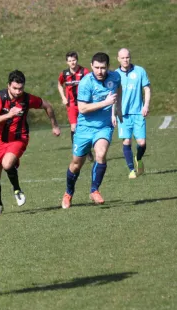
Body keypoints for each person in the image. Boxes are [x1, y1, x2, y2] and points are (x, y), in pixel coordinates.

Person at [0, 70, 61, 216]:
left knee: (7, 164)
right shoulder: (0, 97)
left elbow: (47, 105)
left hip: (18, 138)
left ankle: (17, 189)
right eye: (15, 88)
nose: (17, 91)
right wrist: (9, 114)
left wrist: (54, 125)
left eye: (20, 88)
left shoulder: (27, 99)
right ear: (8, 85)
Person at [61, 52, 122, 209]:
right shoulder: (86, 82)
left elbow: (118, 89)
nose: (100, 71)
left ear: (108, 67)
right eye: (96, 68)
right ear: (91, 66)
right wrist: (106, 102)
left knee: (101, 154)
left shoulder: (115, 77)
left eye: (103, 68)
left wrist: (117, 109)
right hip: (84, 128)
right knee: (76, 164)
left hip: (104, 126)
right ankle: (68, 193)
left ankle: (94, 190)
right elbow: (83, 108)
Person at [116, 48, 151, 178]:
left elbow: (147, 89)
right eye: (123, 58)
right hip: (123, 115)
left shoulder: (140, 71)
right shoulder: (115, 75)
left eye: (127, 57)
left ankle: (139, 158)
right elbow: (113, 96)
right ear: (118, 59)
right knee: (127, 141)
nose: (125, 60)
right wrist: (113, 114)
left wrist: (146, 105)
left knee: (141, 143)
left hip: (138, 113)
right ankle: (131, 170)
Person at [57, 51, 93, 161]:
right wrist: (63, 97)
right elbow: (59, 84)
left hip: (84, 104)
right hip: (72, 105)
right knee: (74, 127)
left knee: (86, 126)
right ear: (67, 62)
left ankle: (88, 150)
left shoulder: (84, 71)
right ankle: (77, 151)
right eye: (70, 61)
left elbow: (91, 83)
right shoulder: (64, 74)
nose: (72, 62)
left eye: (74, 60)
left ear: (77, 60)